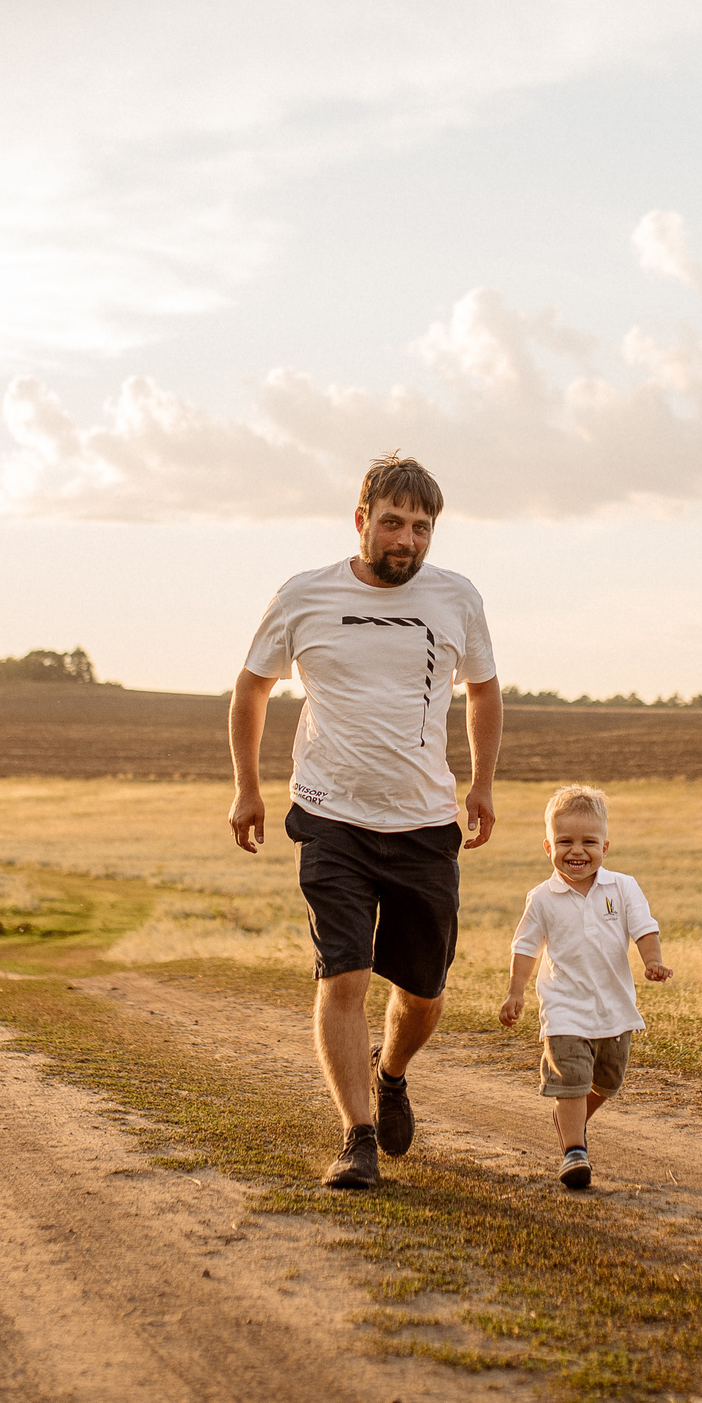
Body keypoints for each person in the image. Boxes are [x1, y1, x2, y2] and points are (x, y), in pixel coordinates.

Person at [227, 454, 502, 1190]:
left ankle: (392, 1070)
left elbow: (483, 689)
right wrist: (247, 788)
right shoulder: (304, 595)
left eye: (421, 526)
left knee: (424, 993)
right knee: (342, 973)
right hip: (330, 817)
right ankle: (357, 1134)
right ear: (361, 522)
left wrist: (481, 783)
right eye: (392, 522)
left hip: (424, 822)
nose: (406, 539)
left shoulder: (458, 598)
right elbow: (252, 688)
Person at [497, 784, 670, 1190]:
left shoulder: (622, 888)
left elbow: (645, 928)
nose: (577, 851)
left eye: (588, 841)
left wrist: (653, 962)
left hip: (614, 1008)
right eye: (565, 842)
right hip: (564, 1008)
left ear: (605, 846)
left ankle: (569, 1116)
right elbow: (525, 947)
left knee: (607, 1081)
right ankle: (574, 1152)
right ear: (548, 846)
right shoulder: (542, 897)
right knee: (571, 1077)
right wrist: (516, 991)